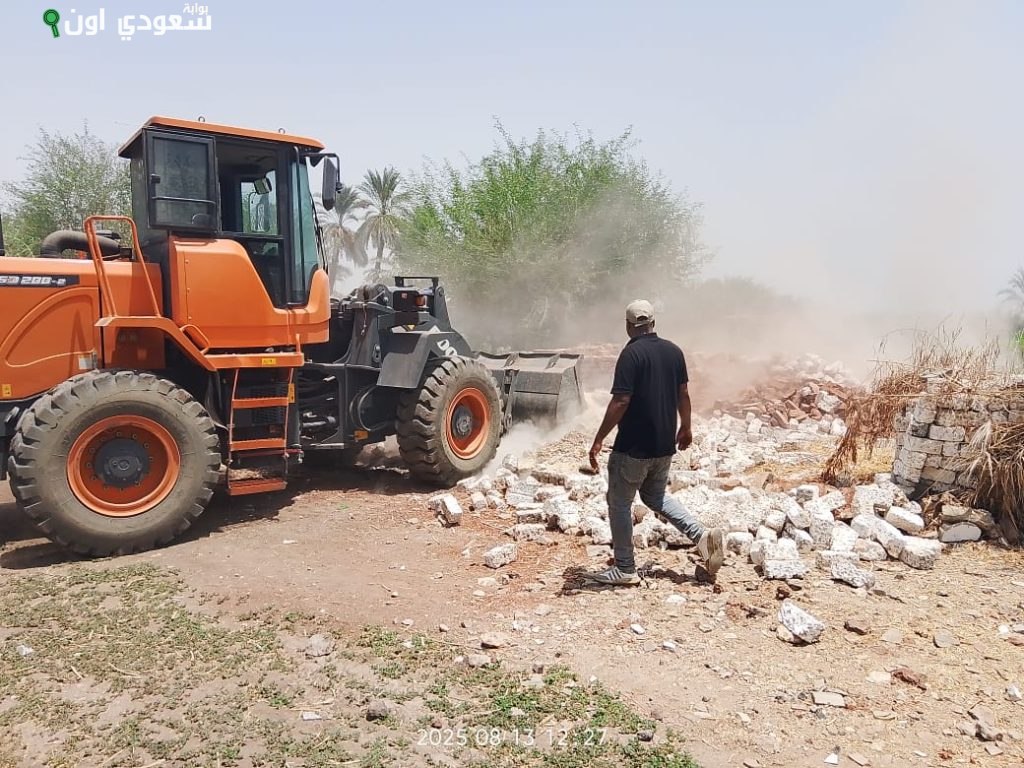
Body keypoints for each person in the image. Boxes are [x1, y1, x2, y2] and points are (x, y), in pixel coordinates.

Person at [584, 300, 725, 586]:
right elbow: (683, 394)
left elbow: (621, 400)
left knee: (619, 502)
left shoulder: (631, 354)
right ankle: (701, 536)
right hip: (663, 445)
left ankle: (625, 568)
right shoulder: (674, 351)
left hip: (633, 447)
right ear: (653, 323)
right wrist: (686, 427)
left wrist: (599, 438)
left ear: (628, 326)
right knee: (654, 496)